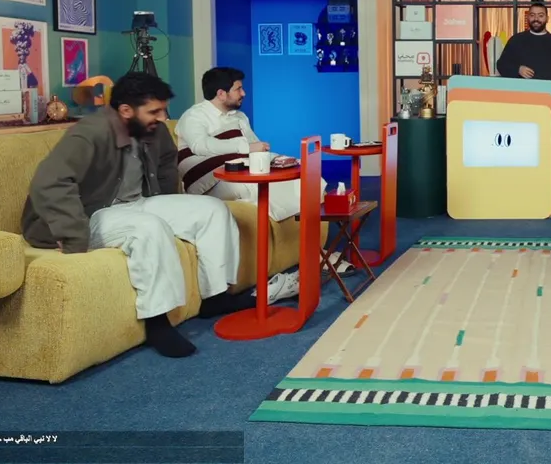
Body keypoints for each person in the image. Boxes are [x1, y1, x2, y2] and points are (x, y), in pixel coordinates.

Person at [22, 73, 254, 358]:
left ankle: (216, 297)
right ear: (125, 110)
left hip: (134, 203)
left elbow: (167, 164)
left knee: (213, 210)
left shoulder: (152, 130)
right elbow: (49, 181)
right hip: (89, 213)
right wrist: (72, 236)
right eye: (154, 111)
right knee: (149, 228)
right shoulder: (90, 133)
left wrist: (169, 203)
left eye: (163, 110)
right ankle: (157, 324)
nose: (162, 118)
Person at [175, 67, 337, 296]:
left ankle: (313, 252)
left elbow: (255, 147)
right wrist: (245, 147)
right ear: (221, 93)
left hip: (244, 167)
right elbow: (201, 146)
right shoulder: (194, 116)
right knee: (256, 186)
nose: (243, 93)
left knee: (309, 177)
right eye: (238, 88)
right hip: (212, 180)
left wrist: (274, 158)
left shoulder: (239, 117)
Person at [495, 2, 551, 84]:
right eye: (532, 15)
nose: (536, 19)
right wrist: (518, 69)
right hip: (522, 94)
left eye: (540, 15)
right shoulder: (516, 40)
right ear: (528, 17)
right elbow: (501, 65)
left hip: (548, 94)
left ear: (547, 18)